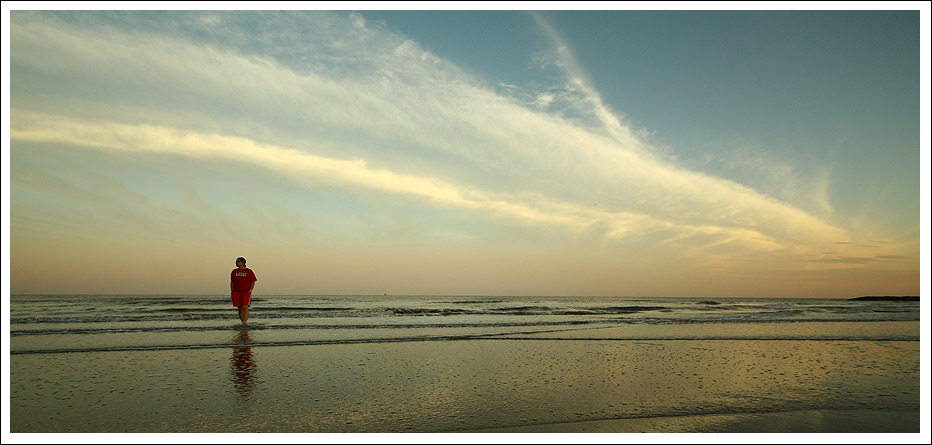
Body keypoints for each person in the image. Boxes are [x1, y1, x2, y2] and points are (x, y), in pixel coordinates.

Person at [230, 257, 257, 325]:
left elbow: (253, 281)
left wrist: (250, 290)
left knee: (245, 306)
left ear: (243, 262)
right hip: (236, 291)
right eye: (236, 261)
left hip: (245, 291)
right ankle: (242, 322)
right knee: (239, 308)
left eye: (238, 261)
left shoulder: (249, 271)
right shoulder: (234, 271)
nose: (236, 263)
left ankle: (245, 322)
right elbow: (232, 282)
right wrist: (232, 291)